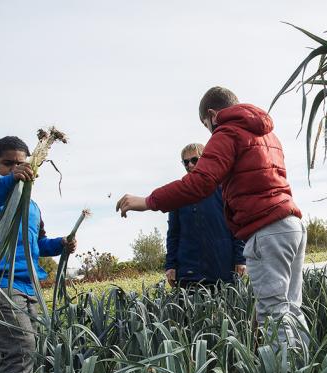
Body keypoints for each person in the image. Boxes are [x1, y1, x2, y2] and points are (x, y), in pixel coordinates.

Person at [116, 86, 309, 349]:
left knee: (273, 316)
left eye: (205, 124)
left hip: (266, 230)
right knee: (291, 310)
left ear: (211, 114)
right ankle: (306, 370)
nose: (208, 130)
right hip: (292, 225)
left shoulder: (227, 130)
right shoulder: (266, 134)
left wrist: (148, 201)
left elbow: (200, 183)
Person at [0, 136, 76, 373]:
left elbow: (36, 245)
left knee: (29, 352)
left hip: (27, 286)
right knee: (22, 350)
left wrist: (61, 244)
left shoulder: (32, 206)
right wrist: (10, 181)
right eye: (7, 164)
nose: (15, 168)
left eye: (21, 163)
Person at [165, 142, 245, 289]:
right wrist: (170, 265)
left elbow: (237, 227)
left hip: (222, 269)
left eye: (195, 160)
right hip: (188, 273)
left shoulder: (224, 189)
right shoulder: (178, 194)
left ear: (205, 159)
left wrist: (240, 259)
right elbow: (173, 234)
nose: (190, 165)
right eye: (186, 162)